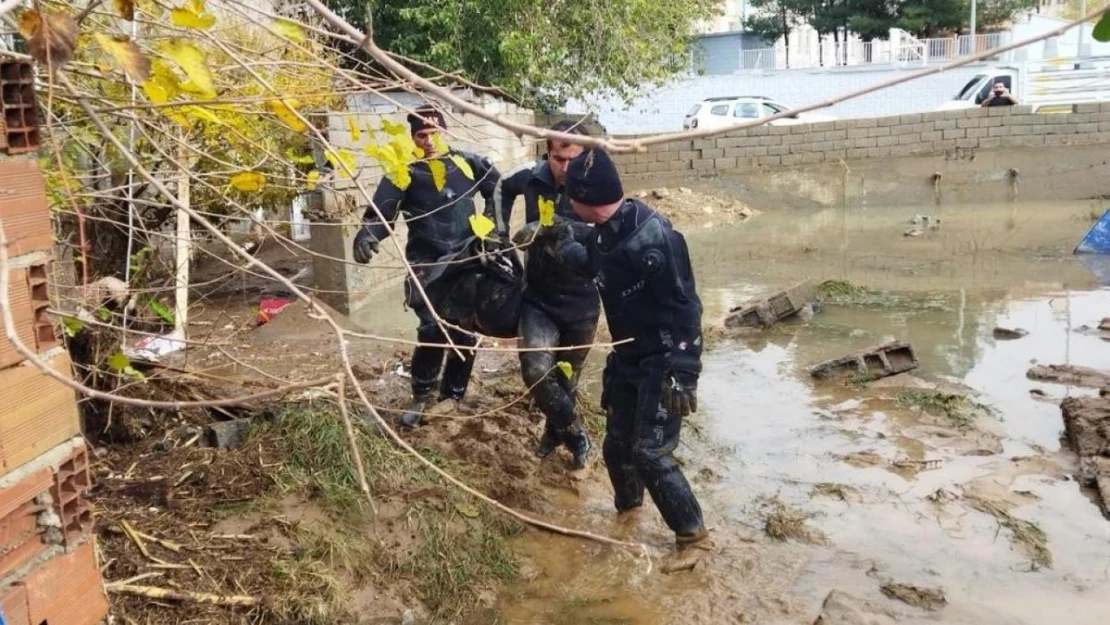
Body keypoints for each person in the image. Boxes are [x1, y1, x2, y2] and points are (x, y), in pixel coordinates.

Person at [551, 148, 708, 550]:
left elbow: (687, 306)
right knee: (616, 444)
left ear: (585, 198)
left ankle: (693, 537)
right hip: (627, 357)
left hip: (664, 358)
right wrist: (559, 244)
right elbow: (596, 263)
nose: (566, 202)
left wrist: (685, 371)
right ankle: (628, 514)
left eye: (570, 195)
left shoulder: (654, 238)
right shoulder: (605, 231)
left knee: (650, 453)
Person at [352, 106, 500, 428]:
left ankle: (453, 396)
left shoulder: (468, 164)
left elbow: (499, 191)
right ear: (413, 138)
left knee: (465, 330)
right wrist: (366, 235)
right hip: (426, 264)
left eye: (435, 133)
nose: (430, 140)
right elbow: (381, 213)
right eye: (422, 134)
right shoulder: (405, 172)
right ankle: (421, 395)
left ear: (444, 132)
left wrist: (492, 225)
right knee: (433, 328)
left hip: (466, 258)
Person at [495, 120, 599, 469]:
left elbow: (607, 233)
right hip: (538, 297)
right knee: (537, 372)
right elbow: (499, 187)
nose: (564, 168)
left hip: (582, 301)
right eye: (558, 159)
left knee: (566, 380)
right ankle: (576, 433)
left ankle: (552, 434)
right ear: (548, 153)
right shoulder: (531, 178)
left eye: (572, 160)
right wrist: (498, 230)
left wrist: (545, 228)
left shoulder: (597, 185)